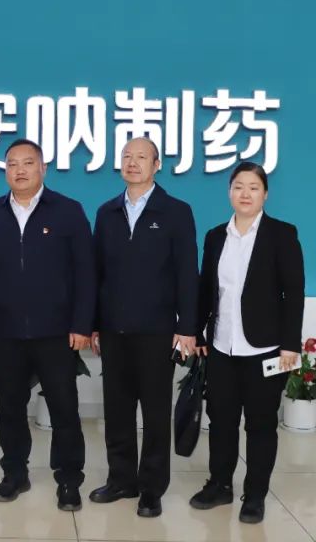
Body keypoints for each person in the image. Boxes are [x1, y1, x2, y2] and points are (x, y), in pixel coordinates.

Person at [0, 139, 95, 512]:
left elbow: (85, 273)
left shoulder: (68, 211)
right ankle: (14, 473)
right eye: (12, 164)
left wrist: (82, 324)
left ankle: (69, 479)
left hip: (56, 331)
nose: (20, 170)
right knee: (9, 408)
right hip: (8, 331)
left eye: (28, 163)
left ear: (43, 168)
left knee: (64, 408)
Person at [191, 161, 305, 524]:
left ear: (265, 194)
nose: (245, 193)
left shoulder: (281, 234)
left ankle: (255, 495)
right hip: (222, 347)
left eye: (253, 187)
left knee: (260, 425)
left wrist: (291, 345)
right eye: (239, 186)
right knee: (221, 422)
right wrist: (196, 332)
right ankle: (220, 485)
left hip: (264, 349)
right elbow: (206, 290)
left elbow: (294, 293)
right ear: (229, 192)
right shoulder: (215, 237)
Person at [89, 137, 198, 518]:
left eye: (141, 157)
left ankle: (151, 488)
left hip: (158, 330)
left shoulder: (176, 211)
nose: (132, 163)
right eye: (126, 156)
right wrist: (94, 324)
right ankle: (121, 479)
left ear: (157, 165)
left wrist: (188, 326)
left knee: (154, 413)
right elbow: (96, 273)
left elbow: (187, 273)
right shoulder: (107, 212)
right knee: (117, 409)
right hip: (114, 329)